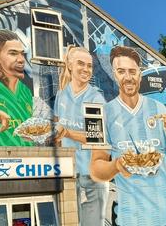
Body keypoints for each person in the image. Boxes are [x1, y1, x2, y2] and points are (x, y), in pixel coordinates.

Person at [90, 46, 166, 226]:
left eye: (132, 71)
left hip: (165, 218)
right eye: (121, 71)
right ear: (114, 75)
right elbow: (95, 170)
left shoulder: (160, 109)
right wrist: (116, 165)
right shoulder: (99, 115)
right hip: (129, 219)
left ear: (140, 75)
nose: (128, 77)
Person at [53, 46, 108, 225]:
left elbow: (96, 137)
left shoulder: (94, 98)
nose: (86, 69)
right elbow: (57, 128)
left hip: (90, 176)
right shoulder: (61, 95)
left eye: (89, 66)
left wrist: (68, 132)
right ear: (70, 65)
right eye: (81, 64)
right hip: (67, 172)